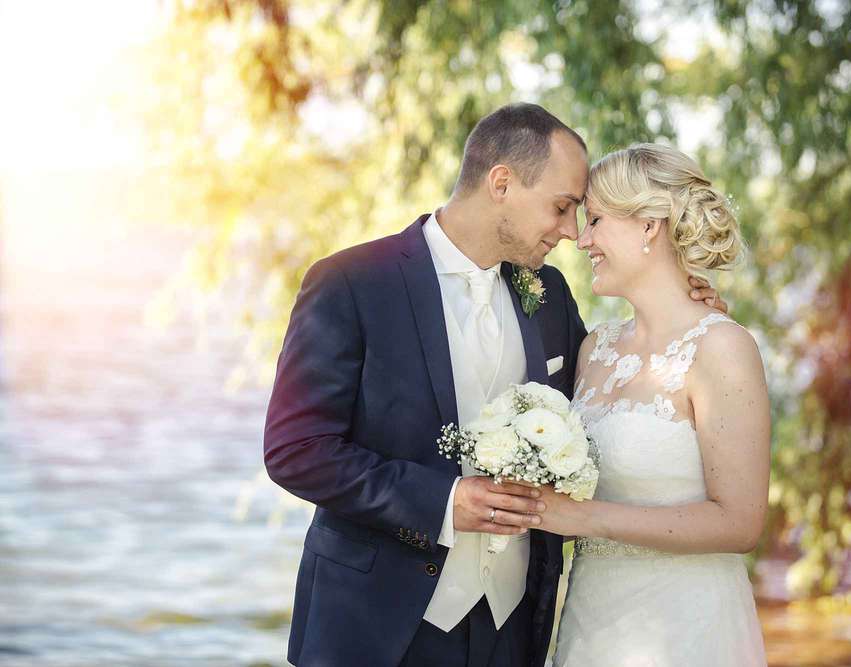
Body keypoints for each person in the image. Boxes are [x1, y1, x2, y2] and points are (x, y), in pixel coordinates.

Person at [263, 105, 726, 667]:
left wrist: (685, 318)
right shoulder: (351, 283)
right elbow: (296, 451)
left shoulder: (550, 295)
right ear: (501, 182)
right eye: (562, 207)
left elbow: (614, 398)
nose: (571, 232)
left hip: (512, 627)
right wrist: (446, 501)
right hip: (377, 626)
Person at [541, 143, 770, 666]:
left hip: (688, 629)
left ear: (648, 225)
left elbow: (740, 523)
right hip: (591, 627)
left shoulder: (722, 347)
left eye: (596, 219)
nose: (581, 239)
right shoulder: (592, 349)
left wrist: (584, 519)